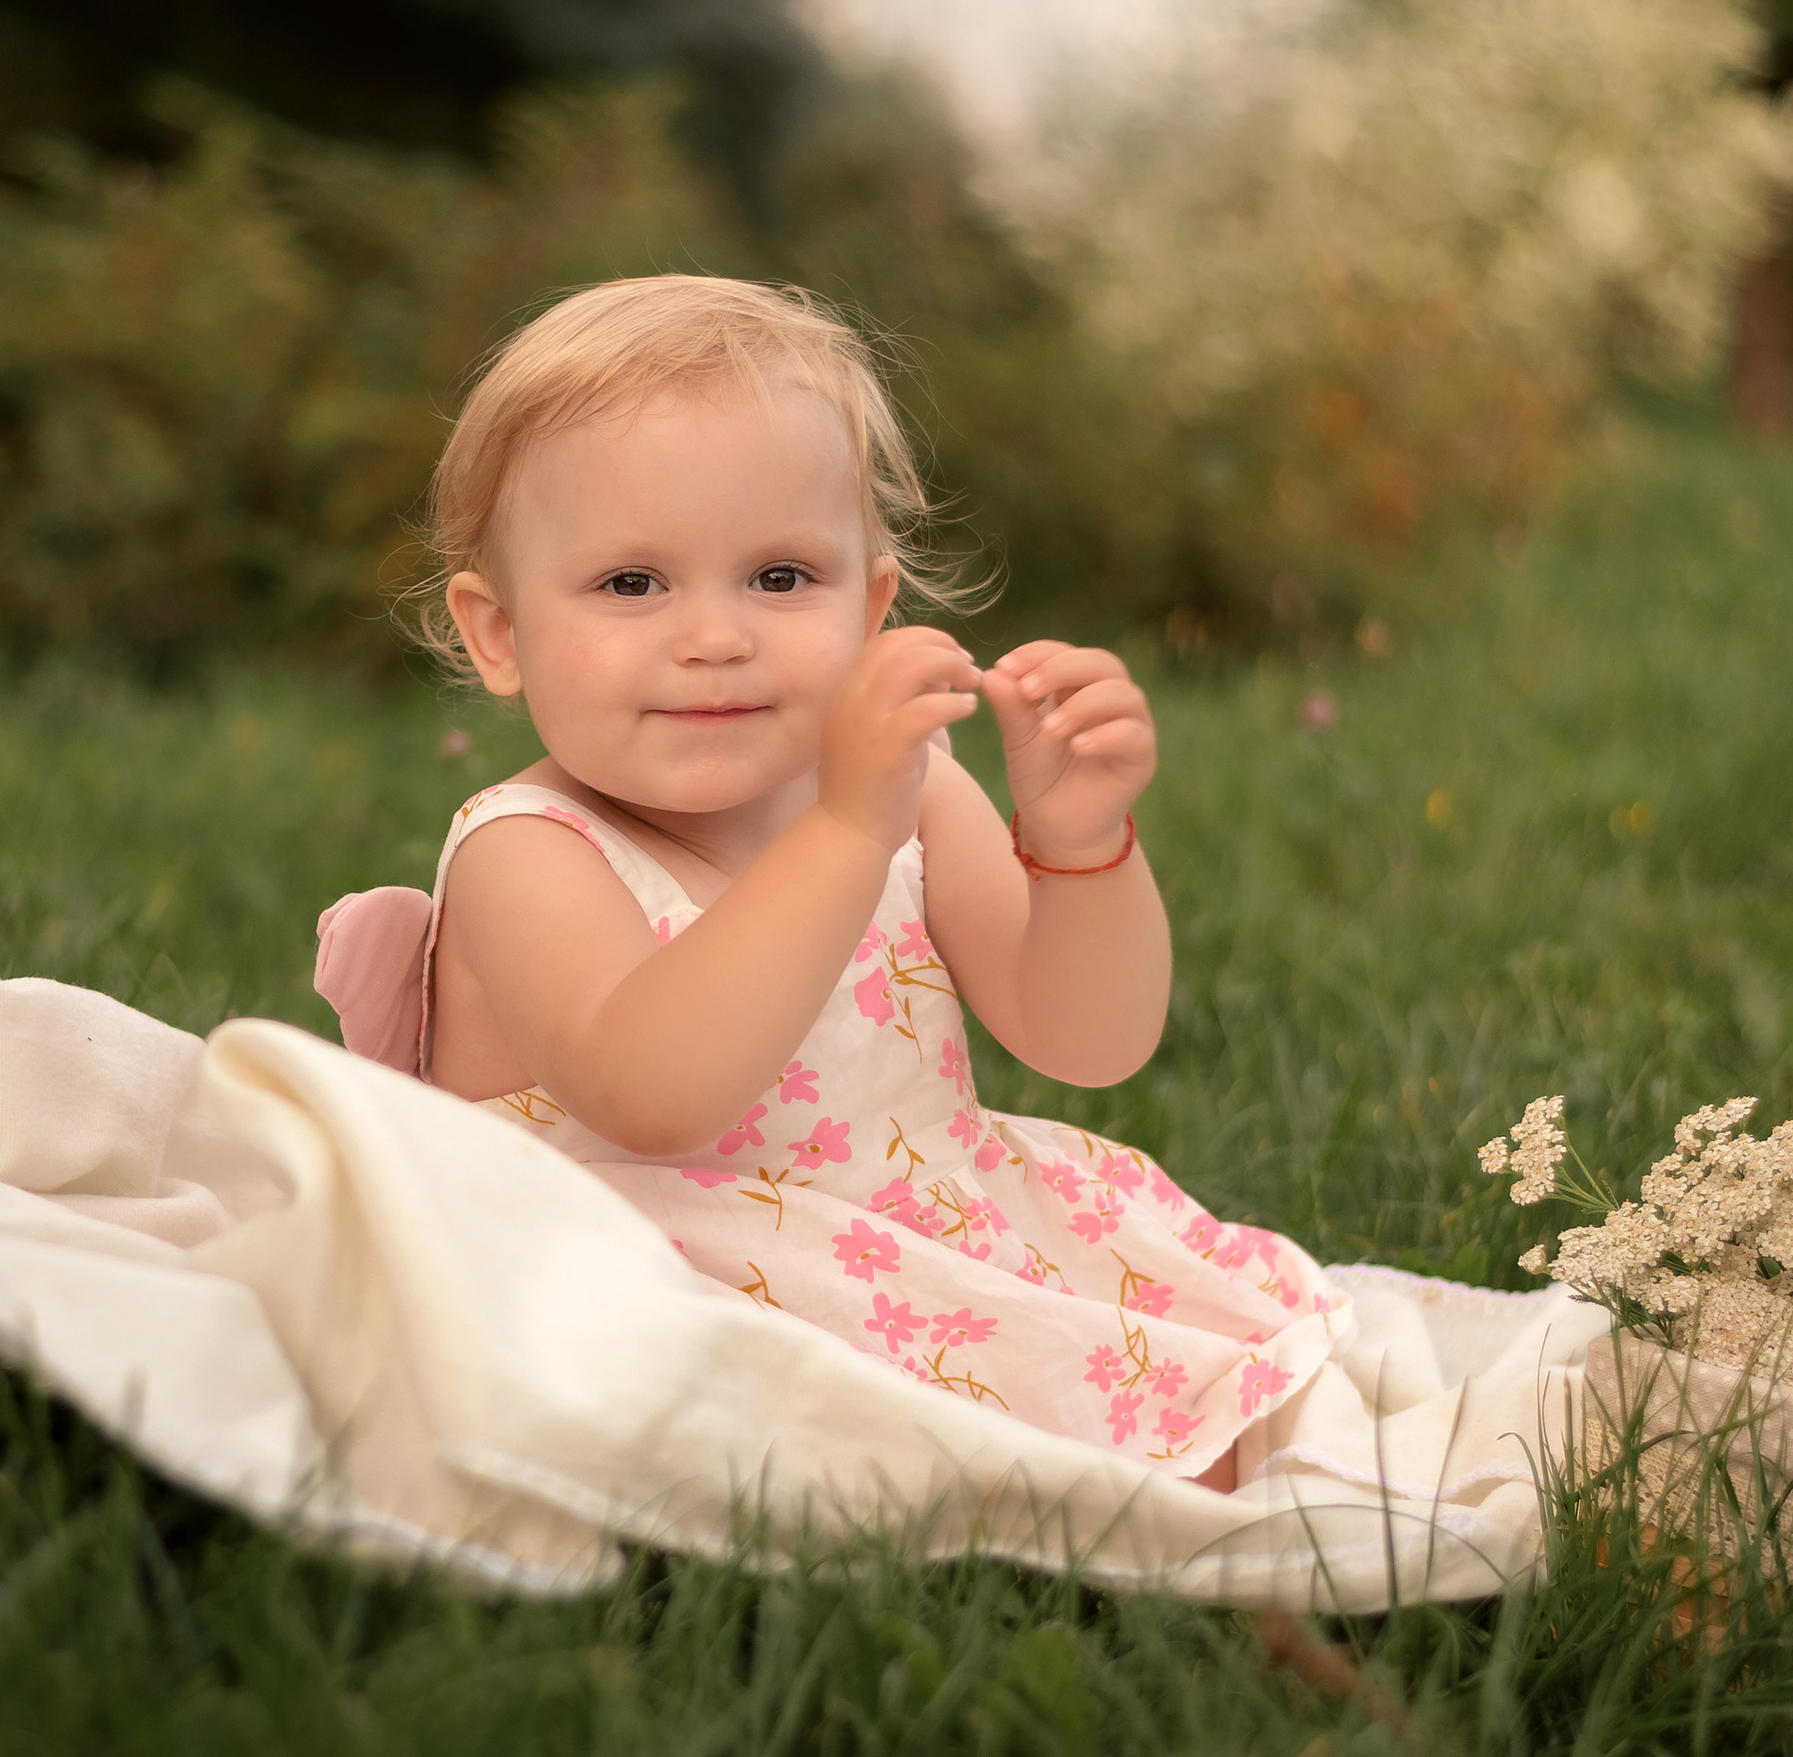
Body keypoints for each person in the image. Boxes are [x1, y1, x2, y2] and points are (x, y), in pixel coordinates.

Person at [315, 272, 1338, 1486]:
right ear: (499, 633)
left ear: (872, 607)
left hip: (899, 1239)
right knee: (1005, 1474)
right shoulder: (527, 850)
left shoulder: (906, 794)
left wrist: (1078, 848)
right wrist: (847, 833)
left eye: (781, 578)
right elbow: (651, 1095)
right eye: (631, 584)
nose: (714, 636)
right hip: (645, 1280)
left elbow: (1086, 1039)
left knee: (1224, 1429)